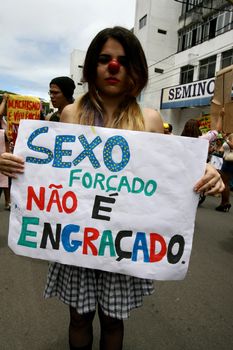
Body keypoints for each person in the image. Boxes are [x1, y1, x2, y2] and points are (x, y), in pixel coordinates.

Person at [0, 26, 224, 350]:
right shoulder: (70, 113)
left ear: (134, 68)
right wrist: (11, 163)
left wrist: (206, 171)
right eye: (104, 59)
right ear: (92, 66)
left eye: (122, 59)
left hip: (122, 242)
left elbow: (170, 169)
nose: (113, 66)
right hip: (76, 239)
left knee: (112, 320)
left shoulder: (148, 118)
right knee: (78, 316)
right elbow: (48, 171)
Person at [215, 133, 233, 212]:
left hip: (229, 162)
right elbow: (223, 149)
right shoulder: (229, 135)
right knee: (226, 182)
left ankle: (224, 203)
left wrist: (226, 139)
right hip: (227, 161)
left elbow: (232, 146)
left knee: (225, 183)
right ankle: (225, 202)